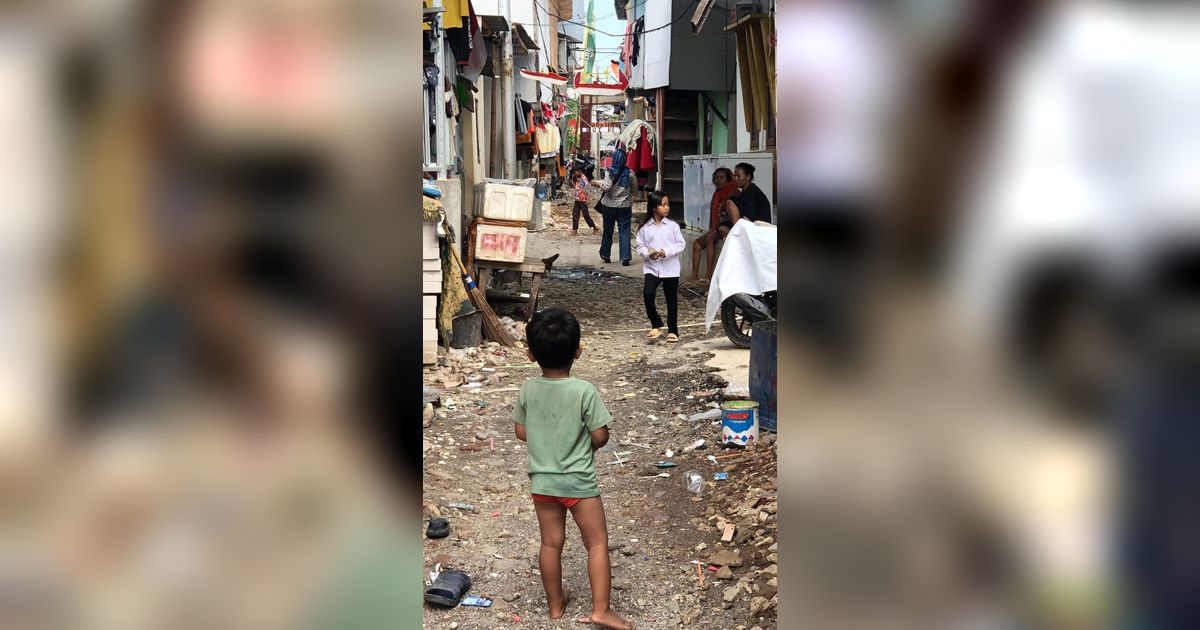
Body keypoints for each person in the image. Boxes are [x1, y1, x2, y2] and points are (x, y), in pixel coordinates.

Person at [512, 308, 634, 630]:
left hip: (543, 483)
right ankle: (601, 610)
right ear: (578, 352)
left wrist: (546, 437)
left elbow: (521, 432)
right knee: (596, 543)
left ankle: (555, 605)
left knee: (550, 543)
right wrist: (586, 444)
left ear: (530, 353)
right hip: (579, 483)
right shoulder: (584, 391)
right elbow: (601, 435)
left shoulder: (527, 389)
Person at [636, 191, 686, 343]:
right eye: (663, 205)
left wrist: (667, 252)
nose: (667, 208)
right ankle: (656, 322)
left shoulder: (672, 226)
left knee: (671, 300)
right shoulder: (644, 227)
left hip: (670, 268)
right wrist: (647, 253)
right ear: (653, 207)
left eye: (667, 204)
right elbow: (640, 246)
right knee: (648, 294)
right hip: (652, 267)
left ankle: (673, 330)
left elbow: (681, 244)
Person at [687, 167, 739, 286]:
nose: (718, 180)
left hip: (727, 227)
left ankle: (708, 276)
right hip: (716, 227)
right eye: (716, 178)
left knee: (710, 239)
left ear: (728, 179)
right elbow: (713, 214)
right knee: (696, 244)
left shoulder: (733, 192)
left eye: (721, 178)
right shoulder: (717, 193)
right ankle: (694, 277)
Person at [591, 144, 634, 265]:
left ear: (614, 159)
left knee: (608, 230)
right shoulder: (630, 173)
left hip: (609, 207)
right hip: (625, 207)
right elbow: (635, 190)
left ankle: (605, 254)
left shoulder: (610, 173)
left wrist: (597, 183)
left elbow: (607, 186)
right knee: (624, 231)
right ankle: (625, 257)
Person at [570, 168, 597, 236]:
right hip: (577, 199)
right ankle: (575, 230)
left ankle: (594, 227)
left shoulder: (584, 179)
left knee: (586, 215)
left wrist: (588, 199)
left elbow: (587, 190)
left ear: (579, 171)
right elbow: (578, 188)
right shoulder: (578, 178)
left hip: (583, 200)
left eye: (575, 172)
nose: (575, 174)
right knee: (575, 214)